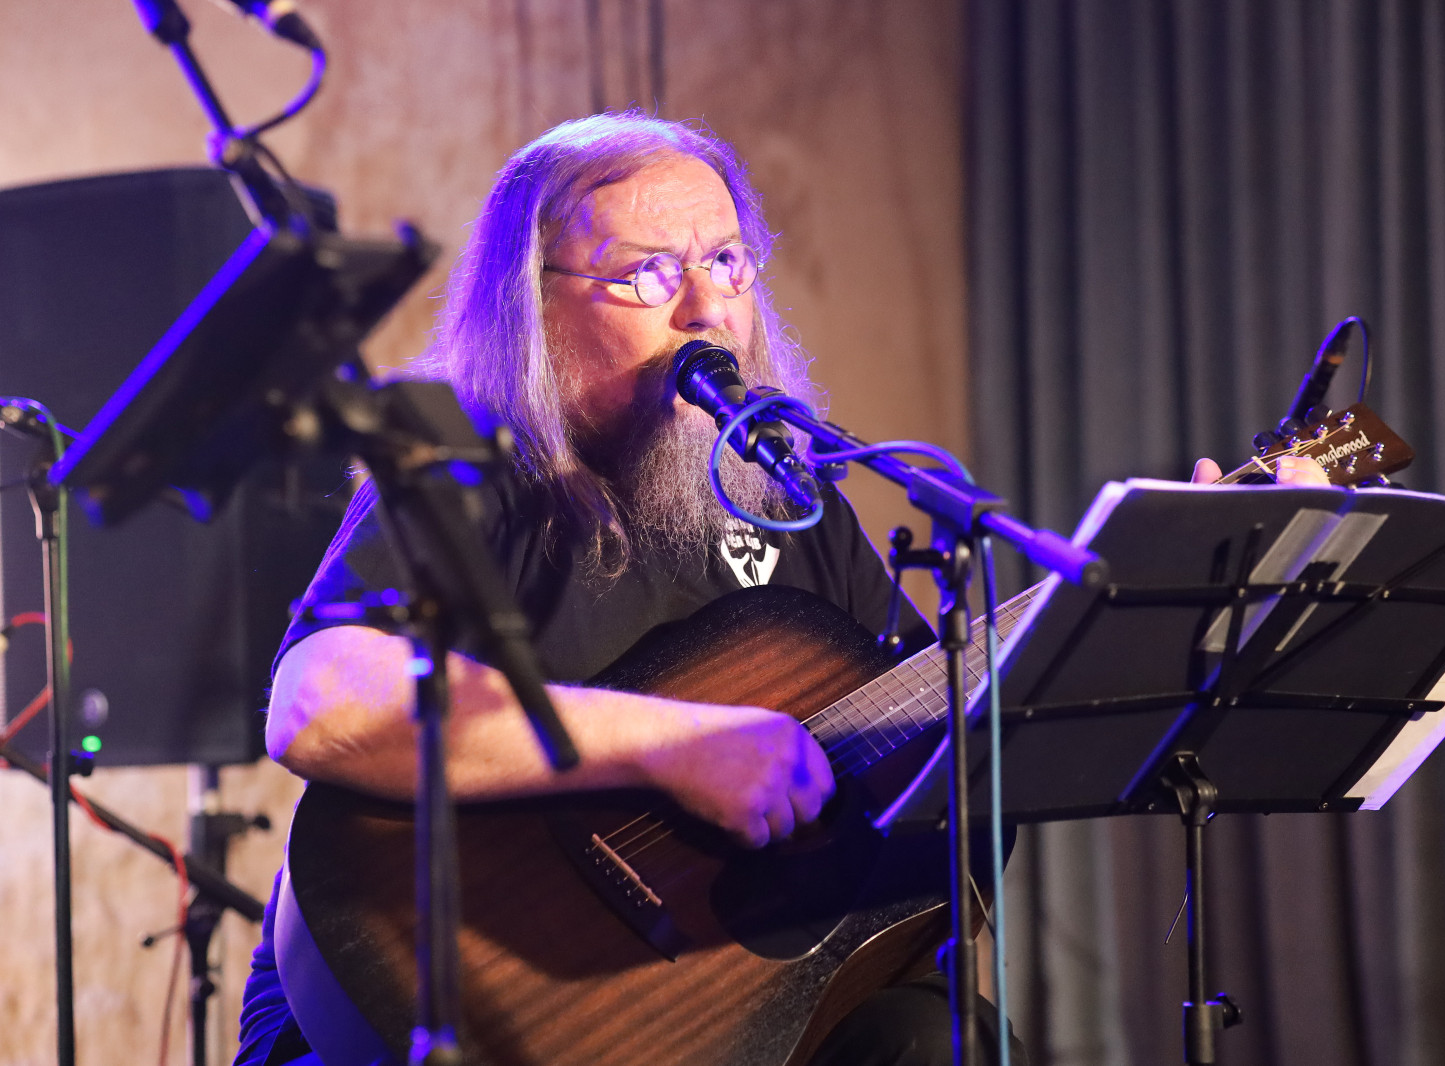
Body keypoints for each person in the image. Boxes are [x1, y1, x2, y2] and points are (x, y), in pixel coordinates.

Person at [235, 111, 1329, 1066]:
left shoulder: (789, 496)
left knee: (947, 1038)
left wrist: (1179, 583)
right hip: (432, 1001)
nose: (705, 308)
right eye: (647, 273)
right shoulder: (467, 471)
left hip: (715, 1011)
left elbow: (950, 733)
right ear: (534, 303)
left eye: (726, 261)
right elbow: (319, 706)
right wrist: (671, 745)